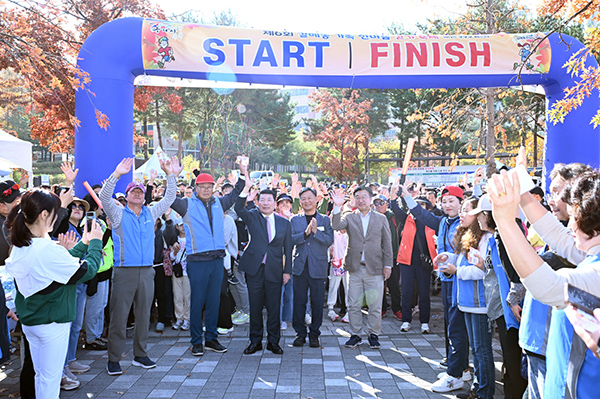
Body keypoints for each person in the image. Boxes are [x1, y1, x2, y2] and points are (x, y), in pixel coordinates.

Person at [489, 168, 600, 399]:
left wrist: (505, 221)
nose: (569, 227)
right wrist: (521, 190)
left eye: (574, 218)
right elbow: (556, 235)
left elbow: (547, 286)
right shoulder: (591, 254)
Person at [5, 189, 103, 399]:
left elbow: (60, 265)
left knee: (42, 377)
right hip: (52, 324)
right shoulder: (44, 249)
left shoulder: (21, 246)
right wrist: (95, 242)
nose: (58, 217)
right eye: (56, 213)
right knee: (49, 382)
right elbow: (86, 270)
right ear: (44, 215)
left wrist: (84, 243)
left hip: (33, 324)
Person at [99, 156, 180, 376]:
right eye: (133, 191)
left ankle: (140, 355)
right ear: (127, 196)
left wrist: (170, 174)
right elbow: (104, 196)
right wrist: (117, 174)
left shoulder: (150, 213)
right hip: (124, 272)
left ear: (145, 197)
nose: (137, 193)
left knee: (144, 315)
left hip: (146, 271)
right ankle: (114, 359)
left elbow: (170, 197)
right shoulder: (117, 214)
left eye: (140, 191)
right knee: (119, 317)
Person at [168, 161, 247, 356]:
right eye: (202, 187)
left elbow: (236, 192)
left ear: (213, 188)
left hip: (217, 260)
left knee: (214, 302)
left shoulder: (220, 203)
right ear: (196, 188)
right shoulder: (186, 204)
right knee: (197, 302)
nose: (205, 189)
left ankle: (211, 339)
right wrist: (171, 175)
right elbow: (169, 198)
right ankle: (196, 341)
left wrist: (244, 173)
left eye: (209, 187)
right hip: (197, 261)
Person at [398, 183, 470, 392]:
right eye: (444, 201)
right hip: (447, 281)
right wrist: (406, 197)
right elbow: (420, 214)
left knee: (457, 327)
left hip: (461, 281)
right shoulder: (442, 222)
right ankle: (461, 367)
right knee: (451, 326)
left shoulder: (465, 225)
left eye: (452, 201)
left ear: (461, 203)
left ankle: (455, 375)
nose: (447, 205)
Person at [442, 196, 494, 399]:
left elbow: (483, 271)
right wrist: (449, 258)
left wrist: (457, 271)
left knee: (482, 350)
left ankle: (484, 392)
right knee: (477, 349)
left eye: (467, 210)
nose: (462, 214)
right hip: (468, 303)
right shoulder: (470, 237)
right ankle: (478, 388)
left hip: (480, 303)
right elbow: (466, 262)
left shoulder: (487, 239)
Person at [330, 186, 392, 349]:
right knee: (353, 303)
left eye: (364, 196)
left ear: (370, 199)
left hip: (375, 267)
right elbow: (336, 225)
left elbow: (387, 243)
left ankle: (373, 334)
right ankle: (355, 334)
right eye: (357, 197)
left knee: (375, 304)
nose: (361, 200)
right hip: (354, 267)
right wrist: (337, 206)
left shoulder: (381, 219)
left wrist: (388, 265)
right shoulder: (349, 217)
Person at [235, 178, 292, 355]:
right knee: (255, 306)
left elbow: (288, 249)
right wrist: (245, 189)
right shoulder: (252, 216)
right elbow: (238, 208)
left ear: (275, 203)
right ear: (258, 202)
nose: (266, 203)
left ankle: (273, 342)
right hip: (255, 269)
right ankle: (255, 341)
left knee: (274, 307)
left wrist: (287, 270)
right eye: (262, 200)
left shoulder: (284, 223)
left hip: (275, 270)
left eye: (269, 200)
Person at [290, 187, 334, 348]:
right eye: (303, 199)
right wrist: (306, 234)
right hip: (300, 267)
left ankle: (314, 333)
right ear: (300, 202)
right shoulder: (295, 220)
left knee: (317, 302)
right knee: (299, 302)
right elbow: (291, 240)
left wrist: (316, 232)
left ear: (317, 200)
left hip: (319, 267)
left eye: (309, 198)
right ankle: (300, 333)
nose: (306, 201)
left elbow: (329, 240)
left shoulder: (325, 220)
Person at [389, 190, 436, 334]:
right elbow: (395, 208)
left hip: (424, 263)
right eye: (417, 204)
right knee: (407, 292)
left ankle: (424, 322)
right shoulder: (407, 218)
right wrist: (393, 195)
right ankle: (406, 321)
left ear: (427, 208)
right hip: (407, 261)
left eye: (423, 205)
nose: (420, 207)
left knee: (424, 293)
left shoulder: (433, 220)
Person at [373, 194, 401, 320]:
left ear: (387, 204)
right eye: (376, 203)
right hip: (377, 256)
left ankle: (397, 308)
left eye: (381, 203)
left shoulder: (393, 217)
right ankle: (382, 308)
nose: (379, 206)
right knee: (379, 284)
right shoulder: (372, 217)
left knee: (394, 284)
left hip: (393, 255)